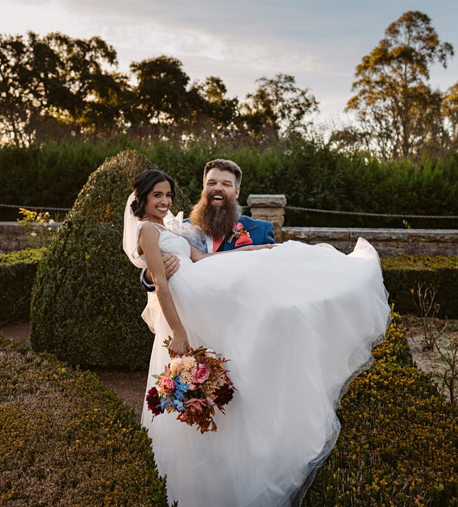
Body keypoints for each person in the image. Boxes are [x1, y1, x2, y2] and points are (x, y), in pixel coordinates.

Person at [124, 168, 390, 506]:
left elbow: (206, 260)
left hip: (199, 287)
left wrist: (258, 252)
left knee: (265, 281)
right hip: (190, 300)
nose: (164, 201)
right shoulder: (150, 229)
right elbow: (159, 283)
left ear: (237, 189)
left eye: (167, 195)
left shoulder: (168, 229)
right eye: (157, 195)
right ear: (143, 199)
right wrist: (177, 330)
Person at [140, 159, 274, 292]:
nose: (218, 188)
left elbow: (271, 278)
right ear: (203, 189)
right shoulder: (179, 230)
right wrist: (149, 276)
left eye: (226, 184)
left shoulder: (260, 231)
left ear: (237, 192)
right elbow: (153, 267)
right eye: (212, 183)